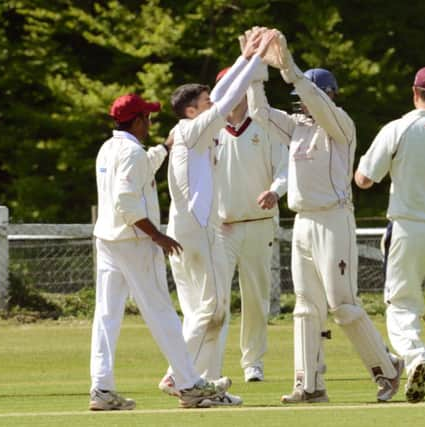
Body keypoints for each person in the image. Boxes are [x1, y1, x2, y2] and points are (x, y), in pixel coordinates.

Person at [256, 30, 403, 403]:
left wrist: (290, 68)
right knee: (306, 306)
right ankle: (308, 384)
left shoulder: (341, 126)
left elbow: (317, 104)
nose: (301, 107)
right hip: (303, 221)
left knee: (342, 304)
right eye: (298, 102)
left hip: (334, 220)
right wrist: (254, 68)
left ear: (330, 95)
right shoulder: (296, 129)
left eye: (307, 100)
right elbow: (258, 112)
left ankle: (387, 369)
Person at [90, 93, 232, 410]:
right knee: (162, 314)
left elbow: (141, 169)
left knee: (106, 316)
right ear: (138, 120)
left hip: (108, 240)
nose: (150, 123)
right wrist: (158, 236)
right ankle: (189, 384)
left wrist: (164, 150)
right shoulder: (130, 153)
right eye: (148, 118)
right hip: (134, 243)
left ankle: (101, 388)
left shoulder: (109, 148)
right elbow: (125, 203)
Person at [157, 28, 275, 406]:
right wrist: (254, 59)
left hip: (184, 229)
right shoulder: (192, 130)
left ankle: (199, 387)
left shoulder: (185, 132)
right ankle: (178, 376)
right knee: (211, 309)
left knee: (205, 313)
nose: (214, 103)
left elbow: (224, 96)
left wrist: (247, 59)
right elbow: (226, 99)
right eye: (205, 101)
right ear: (192, 110)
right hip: (197, 231)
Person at [354, 66, 425, 407]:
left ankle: (416, 357)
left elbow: (364, 180)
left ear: (414, 92)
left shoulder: (398, 129)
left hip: (408, 228)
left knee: (402, 304)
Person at [214, 50, 289, 383]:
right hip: (221, 227)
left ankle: (253, 362)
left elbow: (286, 170)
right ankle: (208, 365)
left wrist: (275, 190)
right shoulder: (210, 130)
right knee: (214, 300)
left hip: (259, 225)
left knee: (256, 298)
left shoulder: (264, 126)